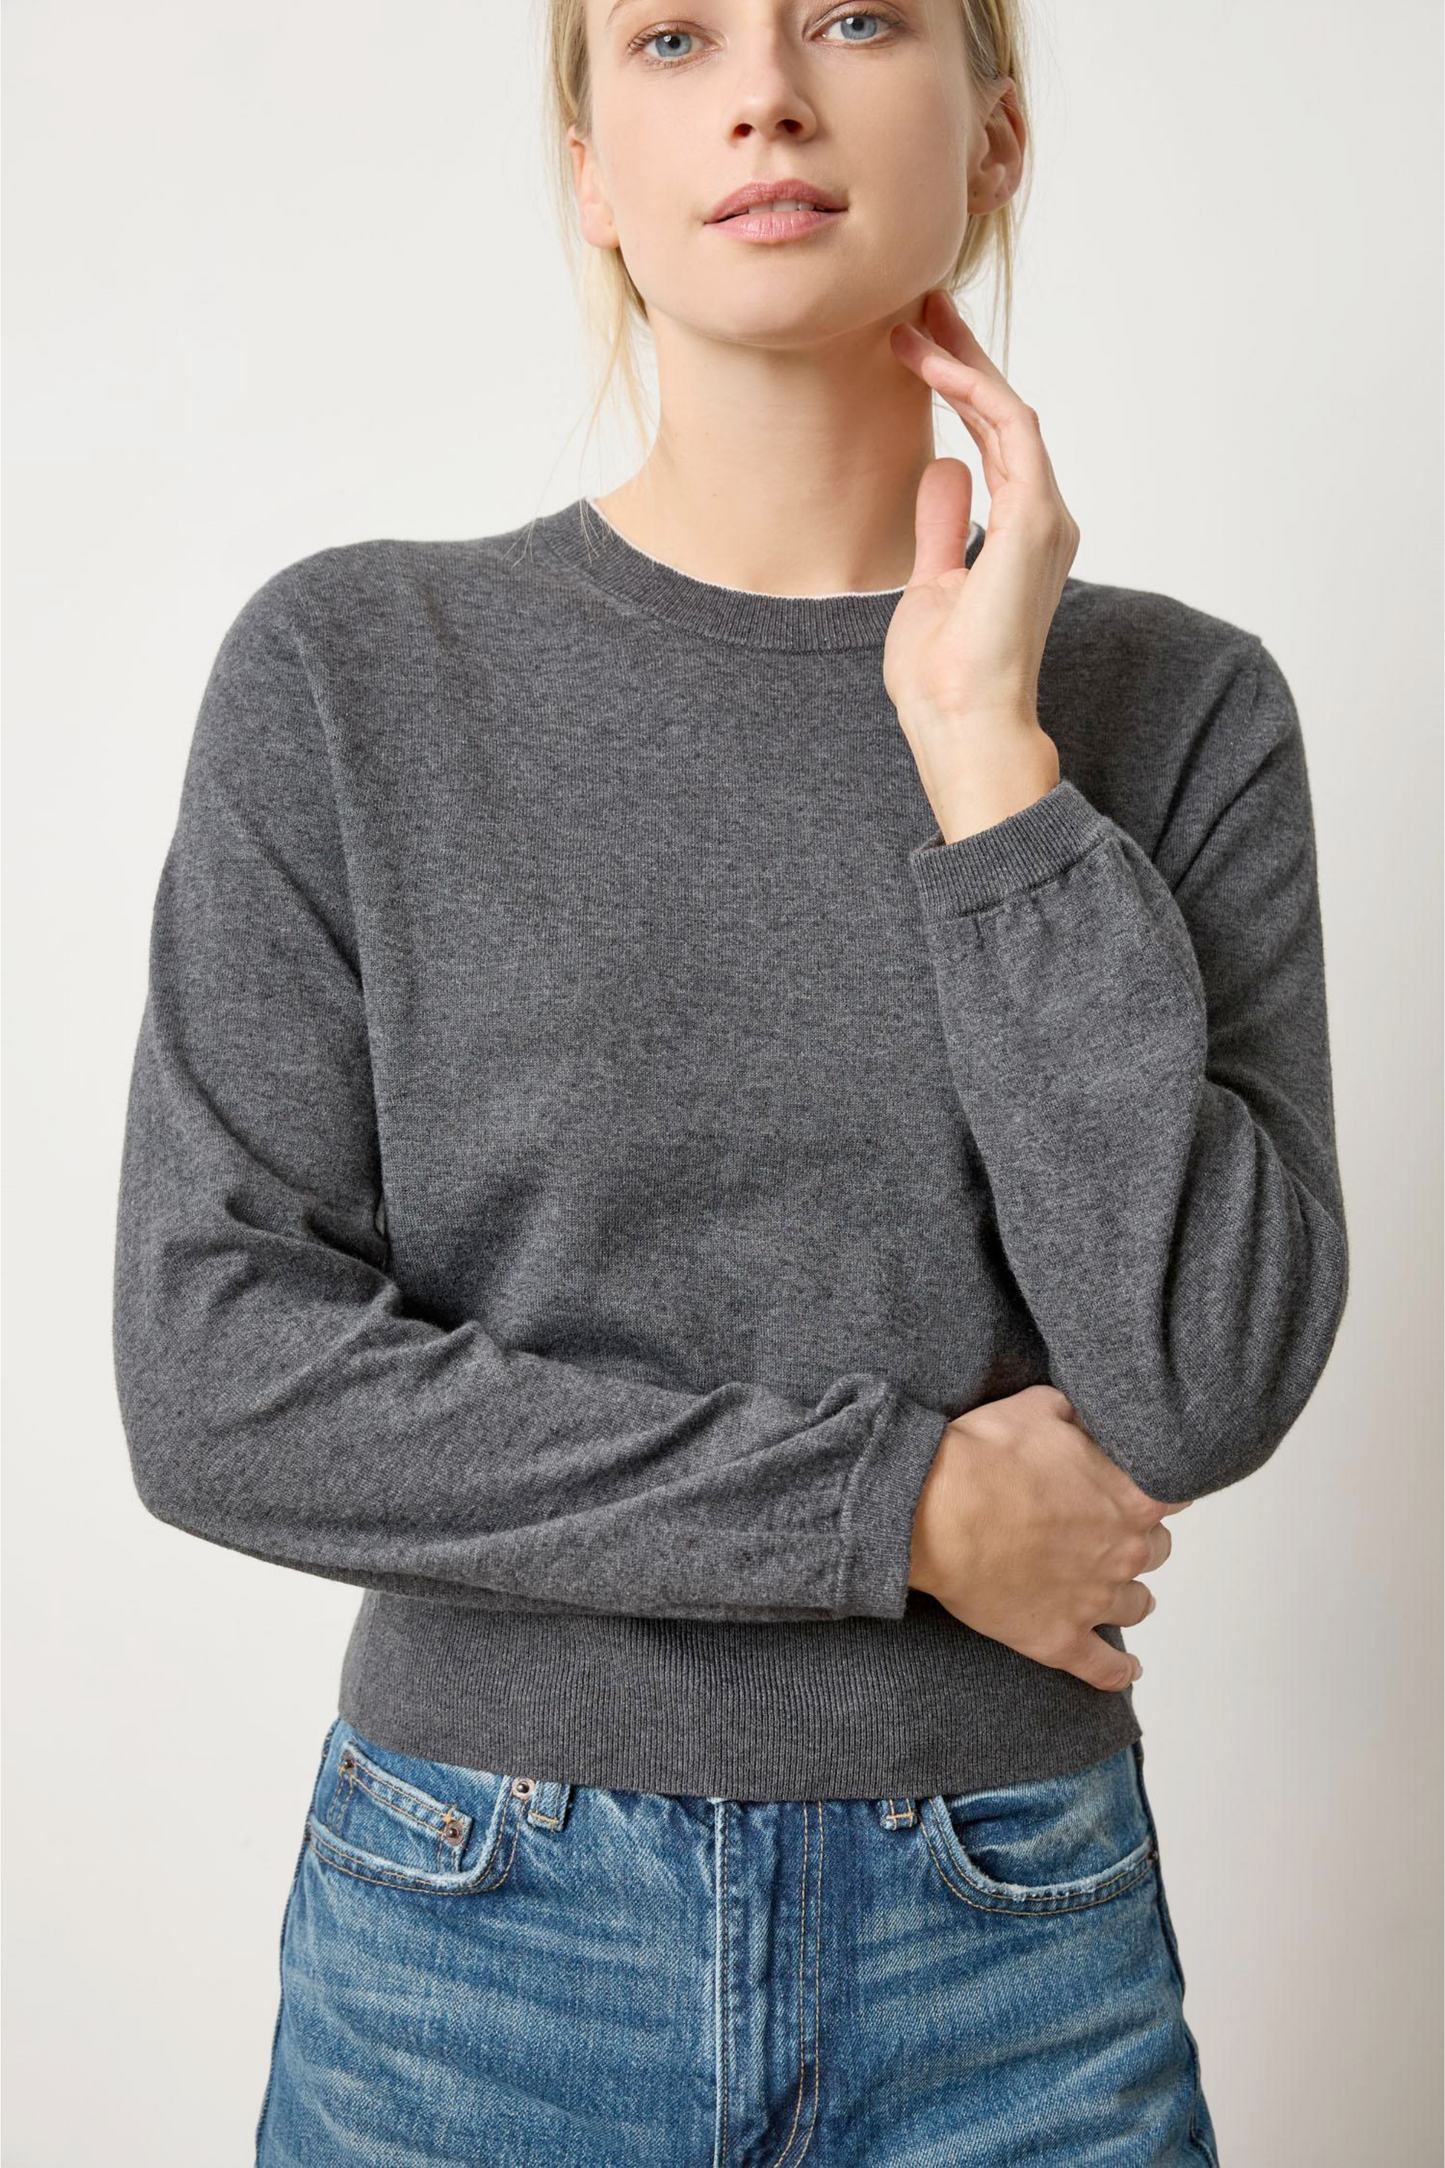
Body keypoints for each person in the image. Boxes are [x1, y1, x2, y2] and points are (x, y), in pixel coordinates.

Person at [111, 1, 1348, 2160]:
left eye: (854, 17)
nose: (768, 90)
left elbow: (1197, 1380)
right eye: (674, 38)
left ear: (995, 131)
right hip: (475, 1946)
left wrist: (988, 768)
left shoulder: (1174, 709)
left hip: (1009, 1951)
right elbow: (219, 1380)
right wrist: (897, 1508)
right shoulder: (353, 673)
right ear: (593, 169)